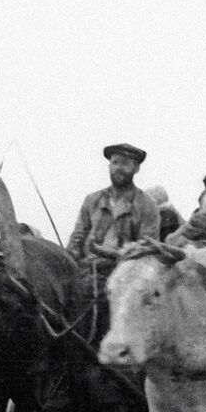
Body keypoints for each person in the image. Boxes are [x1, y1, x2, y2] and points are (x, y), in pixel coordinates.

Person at [67, 142, 160, 338]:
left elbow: (146, 247)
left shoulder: (147, 205)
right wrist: (71, 259)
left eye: (125, 163)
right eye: (115, 162)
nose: (118, 167)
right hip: (87, 270)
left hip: (122, 273)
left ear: (136, 168)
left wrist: (112, 256)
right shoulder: (92, 200)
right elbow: (77, 237)